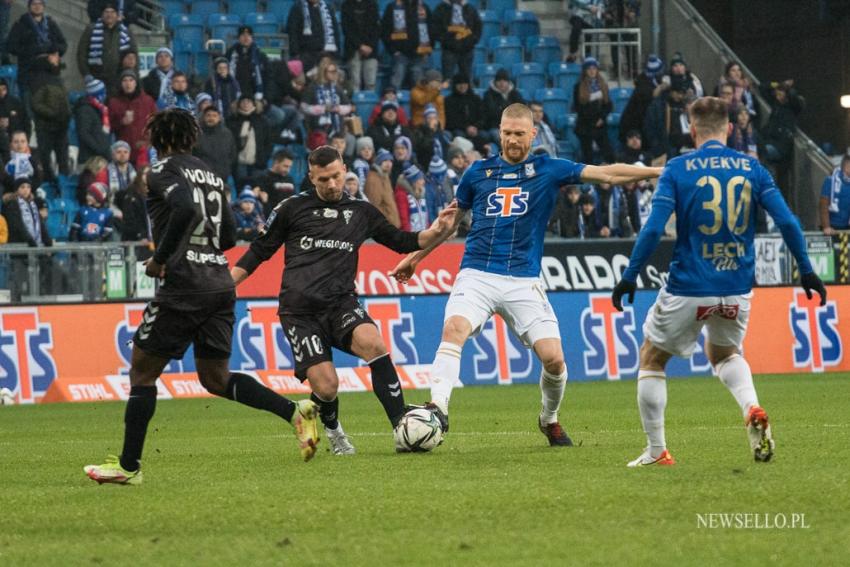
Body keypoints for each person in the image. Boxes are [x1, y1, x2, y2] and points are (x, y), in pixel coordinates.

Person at [388, 103, 661, 445]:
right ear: (499, 133)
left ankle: (549, 419)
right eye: (507, 133)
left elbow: (607, 173)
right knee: (454, 329)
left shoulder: (549, 169)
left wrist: (655, 173)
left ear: (532, 134)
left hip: (523, 280)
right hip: (477, 273)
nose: (513, 140)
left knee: (555, 360)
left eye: (519, 134)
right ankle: (438, 408)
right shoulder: (477, 174)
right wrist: (415, 258)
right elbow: (448, 225)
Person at [84, 108, 321, 486]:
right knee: (214, 377)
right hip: (219, 282)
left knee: (142, 372)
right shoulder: (212, 175)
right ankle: (295, 411)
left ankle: (128, 466)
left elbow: (184, 207)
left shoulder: (160, 170)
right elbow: (227, 236)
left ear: (157, 140)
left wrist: (162, 258)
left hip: (184, 285)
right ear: (191, 137)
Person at [610, 96, 826, 467]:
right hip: (737, 288)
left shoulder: (678, 168)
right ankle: (752, 406)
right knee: (724, 353)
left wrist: (629, 275)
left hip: (688, 286)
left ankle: (657, 450)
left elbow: (653, 228)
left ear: (692, 130)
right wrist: (806, 269)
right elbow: (789, 222)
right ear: (729, 129)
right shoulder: (753, 169)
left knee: (652, 357)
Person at [231, 145, 456, 453]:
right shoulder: (291, 209)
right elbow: (260, 250)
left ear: (344, 169)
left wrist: (436, 232)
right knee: (326, 386)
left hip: (341, 304)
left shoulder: (360, 211)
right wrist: (229, 283)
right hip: (300, 312)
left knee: (374, 344)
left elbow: (400, 241)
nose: (332, 184)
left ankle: (401, 425)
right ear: (311, 177)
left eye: (337, 176)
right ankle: (334, 430)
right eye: (323, 179)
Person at [6, 0, 67, 104]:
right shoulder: (20, 24)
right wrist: (31, 50)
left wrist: (54, 50)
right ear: (29, 6)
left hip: (49, 72)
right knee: (30, 105)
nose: (37, 6)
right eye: (34, 4)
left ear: (43, 6)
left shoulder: (51, 24)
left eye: (40, 4)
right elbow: (11, 46)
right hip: (28, 72)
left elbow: (63, 44)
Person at [77, 3, 137, 96]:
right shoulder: (91, 29)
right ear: (102, 14)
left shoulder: (126, 32)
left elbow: (134, 55)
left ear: (117, 15)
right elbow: (81, 53)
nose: (109, 15)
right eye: (106, 12)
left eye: (113, 12)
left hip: (118, 79)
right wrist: (86, 74)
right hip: (95, 78)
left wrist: (133, 75)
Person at [108, 69, 157, 167]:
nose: (128, 83)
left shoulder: (147, 101)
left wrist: (148, 143)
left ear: (136, 83)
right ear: (120, 84)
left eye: (131, 80)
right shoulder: (114, 102)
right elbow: (108, 126)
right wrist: (122, 122)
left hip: (143, 152)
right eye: (125, 80)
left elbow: (156, 124)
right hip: (123, 153)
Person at [573, 57, 613, 164]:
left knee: (608, 153)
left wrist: (602, 118)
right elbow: (578, 107)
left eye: (594, 68)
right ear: (585, 71)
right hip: (585, 126)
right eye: (589, 68)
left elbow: (608, 105)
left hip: (600, 124)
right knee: (588, 156)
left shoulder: (603, 85)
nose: (592, 71)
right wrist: (593, 119)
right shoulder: (578, 87)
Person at [619, 54, 665, 144]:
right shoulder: (642, 87)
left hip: (644, 128)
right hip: (634, 129)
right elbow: (649, 97)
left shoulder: (651, 81)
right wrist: (660, 89)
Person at [287, 0, 341, 74]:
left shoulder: (328, 8)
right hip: (305, 54)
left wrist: (335, 54)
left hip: (326, 54)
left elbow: (335, 31)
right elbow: (292, 31)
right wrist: (295, 54)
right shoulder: (297, 8)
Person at [432, 0, 481, 80]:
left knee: (466, 80)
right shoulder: (441, 9)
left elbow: (478, 26)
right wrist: (447, 42)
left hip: (467, 50)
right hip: (449, 50)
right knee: (448, 80)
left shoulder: (470, 8)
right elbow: (435, 28)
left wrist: (471, 41)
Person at [381, 0, 424, 89]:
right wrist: (393, 51)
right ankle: (392, 102)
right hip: (399, 54)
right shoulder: (392, 7)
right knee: (395, 84)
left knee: (419, 87)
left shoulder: (423, 8)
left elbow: (430, 28)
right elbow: (385, 30)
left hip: (419, 54)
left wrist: (427, 49)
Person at [341, 0, 380, 92]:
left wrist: (370, 46)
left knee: (371, 83)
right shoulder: (346, 5)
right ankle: (355, 104)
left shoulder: (373, 4)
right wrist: (360, 46)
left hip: (371, 50)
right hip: (353, 49)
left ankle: (369, 105)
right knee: (355, 83)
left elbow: (377, 29)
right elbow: (346, 29)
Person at [226, 25, 269, 103]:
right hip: (235, 94)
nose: (246, 38)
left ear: (252, 38)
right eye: (243, 35)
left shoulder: (260, 55)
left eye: (249, 35)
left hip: (255, 95)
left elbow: (267, 77)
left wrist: (264, 97)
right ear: (239, 38)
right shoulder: (230, 53)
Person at [195, 105, 237, 184]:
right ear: (203, 117)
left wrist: (226, 169)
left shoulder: (227, 134)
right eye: (208, 115)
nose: (211, 118)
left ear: (219, 118)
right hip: (202, 177)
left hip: (222, 177)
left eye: (214, 116)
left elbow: (232, 155)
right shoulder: (197, 134)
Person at [74, 77, 112, 164]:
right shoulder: (85, 110)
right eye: (103, 92)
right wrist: (99, 148)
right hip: (92, 158)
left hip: (101, 155)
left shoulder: (100, 109)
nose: (105, 95)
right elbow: (84, 133)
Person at [482, 69, 523, 143]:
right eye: (499, 80)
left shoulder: (515, 93)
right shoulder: (488, 95)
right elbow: (492, 113)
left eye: (504, 80)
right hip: (495, 127)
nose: (502, 83)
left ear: (508, 82)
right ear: (495, 82)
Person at [252, 149, 296, 217]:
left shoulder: (290, 179)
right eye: (285, 166)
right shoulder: (262, 178)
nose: (288, 170)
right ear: (276, 162)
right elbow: (264, 202)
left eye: (290, 167)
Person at [364, 147, 400, 226]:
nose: (388, 163)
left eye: (390, 161)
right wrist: (389, 219)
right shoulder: (373, 179)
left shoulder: (385, 177)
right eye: (385, 160)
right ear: (379, 162)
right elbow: (374, 206)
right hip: (383, 227)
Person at [820, 153, 850, 234]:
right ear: (846, 167)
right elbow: (823, 205)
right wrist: (826, 226)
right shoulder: (830, 180)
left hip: (847, 226)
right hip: (832, 227)